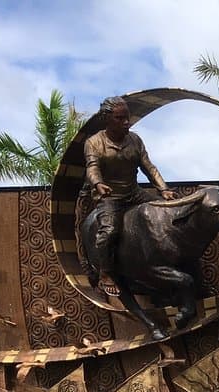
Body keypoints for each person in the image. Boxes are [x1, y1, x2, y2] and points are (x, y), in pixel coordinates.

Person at [83, 96, 176, 292]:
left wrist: (164, 189)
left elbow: (149, 167)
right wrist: (98, 184)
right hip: (110, 198)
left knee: (166, 212)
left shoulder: (135, 140)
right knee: (108, 232)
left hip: (134, 193)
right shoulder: (94, 142)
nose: (126, 122)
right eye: (120, 118)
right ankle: (105, 273)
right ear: (106, 119)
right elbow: (92, 168)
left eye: (127, 117)